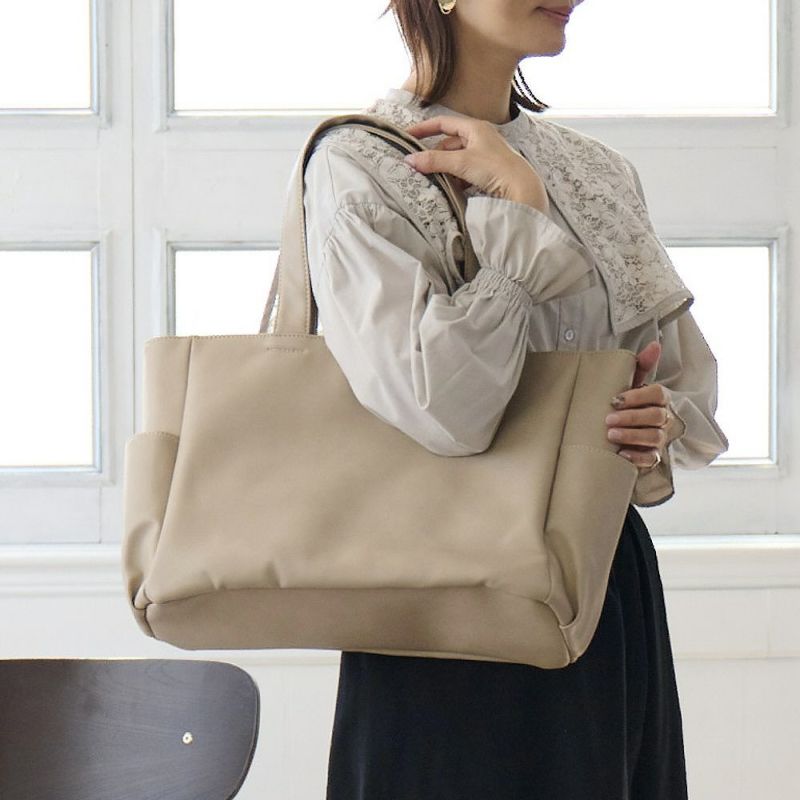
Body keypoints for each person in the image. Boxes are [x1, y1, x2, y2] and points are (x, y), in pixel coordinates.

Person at [300, 1, 729, 797]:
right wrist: (518, 212)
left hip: (601, 580)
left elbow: (684, 380)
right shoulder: (359, 164)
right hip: (442, 599)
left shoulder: (598, 172)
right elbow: (444, 411)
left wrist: (656, 421)